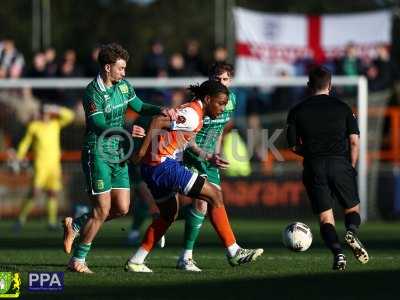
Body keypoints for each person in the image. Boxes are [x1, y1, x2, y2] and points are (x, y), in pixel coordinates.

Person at [125, 80, 263, 273]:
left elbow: (183, 138)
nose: (223, 109)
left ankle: (136, 261)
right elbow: (158, 121)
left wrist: (207, 156)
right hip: (163, 165)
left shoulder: (193, 114)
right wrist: (141, 152)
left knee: (169, 214)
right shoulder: (192, 114)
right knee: (214, 195)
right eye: (220, 103)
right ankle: (234, 251)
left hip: (153, 167)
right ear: (207, 99)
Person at [62, 43, 176, 273]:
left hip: (118, 153)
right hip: (98, 153)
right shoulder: (92, 91)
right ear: (107, 67)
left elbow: (140, 106)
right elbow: (97, 123)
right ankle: (78, 260)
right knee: (102, 210)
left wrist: (161, 109)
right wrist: (126, 130)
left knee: (122, 208)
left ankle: (76, 225)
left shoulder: (123, 87)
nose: (124, 73)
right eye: (121, 68)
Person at [286, 66, 369, 270]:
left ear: (308, 86)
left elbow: (293, 145)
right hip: (340, 163)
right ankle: (351, 231)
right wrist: (350, 166)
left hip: (314, 166)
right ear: (330, 86)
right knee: (352, 208)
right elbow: (354, 142)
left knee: (325, 218)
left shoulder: (297, 110)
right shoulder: (344, 108)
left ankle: (338, 253)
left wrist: (312, 155)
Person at [176, 62, 237, 272]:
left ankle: (168, 217)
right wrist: (205, 155)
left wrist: (216, 153)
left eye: (226, 79)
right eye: (218, 79)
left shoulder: (231, 101)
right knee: (203, 203)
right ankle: (186, 257)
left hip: (211, 158)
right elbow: (187, 138)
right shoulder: (198, 103)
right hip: (194, 156)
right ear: (211, 79)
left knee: (213, 200)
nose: (221, 82)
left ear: (231, 81)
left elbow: (219, 129)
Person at [12, 104, 75, 231]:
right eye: (43, 112)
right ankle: (20, 219)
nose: (45, 114)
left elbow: (70, 116)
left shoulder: (55, 124)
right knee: (35, 192)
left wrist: (56, 108)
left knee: (53, 193)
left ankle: (51, 222)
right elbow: (25, 142)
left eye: (47, 112)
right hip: (40, 166)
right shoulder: (34, 126)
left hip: (54, 166)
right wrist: (19, 156)